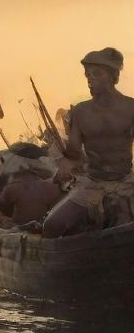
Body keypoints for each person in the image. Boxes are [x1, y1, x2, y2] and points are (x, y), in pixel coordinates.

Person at [43, 48, 134, 238]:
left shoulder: (131, 108)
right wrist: (61, 162)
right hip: (91, 184)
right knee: (52, 226)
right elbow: (74, 154)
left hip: (127, 183)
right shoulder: (80, 112)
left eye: (96, 74)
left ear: (114, 76)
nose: (89, 80)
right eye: (87, 75)